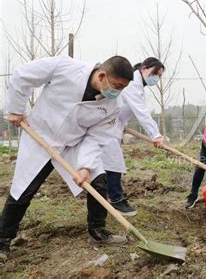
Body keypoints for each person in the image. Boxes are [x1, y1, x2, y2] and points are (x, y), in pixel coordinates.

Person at [0, 55, 134, 261]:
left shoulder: (113, 104)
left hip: (73, 143)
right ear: (101, 75)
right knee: (24, 189)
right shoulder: (64, 67)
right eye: (117, 85)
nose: (118, 91)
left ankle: (97, 232)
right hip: (40, 136)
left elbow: (95, 137)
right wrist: (16, 109)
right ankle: (3, 240)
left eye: (123, 88)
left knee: (98, 180)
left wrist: (86, 167)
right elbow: (23, 75)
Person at [102, 57, 165, 216]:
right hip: (105, 127)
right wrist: (155, 134)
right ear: (144, 68)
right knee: (114, 163)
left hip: (113, 126)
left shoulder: (138, 85)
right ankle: (116, 199)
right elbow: (141, 111)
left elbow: (123, 107)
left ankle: (106, 198)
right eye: (155, 73)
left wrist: (123, 124)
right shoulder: (133, 83)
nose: (156, 78)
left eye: (159, 76)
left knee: (108, 164)